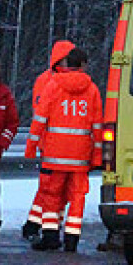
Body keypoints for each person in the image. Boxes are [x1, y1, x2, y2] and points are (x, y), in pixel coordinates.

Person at [24, 47, 103, 252]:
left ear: (66, 65)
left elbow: (39, 120)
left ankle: (50, 236)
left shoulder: (53, 86)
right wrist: (96, 156)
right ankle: (72, 239)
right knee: (77, 197)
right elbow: (97, 126)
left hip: (54, 154)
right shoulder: (92, 90)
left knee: (51, 195)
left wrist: (31, 147)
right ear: (83, 65)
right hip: (80, 155)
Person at [22, 40, 75, 241]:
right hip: (53, 144)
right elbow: (42, 113)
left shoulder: (58, 80)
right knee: (51, 188)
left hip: (63, 145)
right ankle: (40, 224)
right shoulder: (47, 81)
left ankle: (39, 223)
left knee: (54, 189)